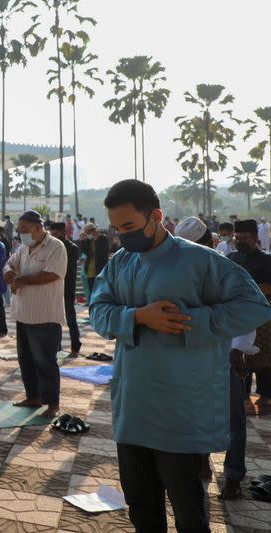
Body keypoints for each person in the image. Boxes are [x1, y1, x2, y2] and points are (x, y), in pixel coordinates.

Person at [89, 180, 271, 532]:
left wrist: (191, 321)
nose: (122, 236)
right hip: (133, 408)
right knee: (142, 507)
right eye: (116, 229)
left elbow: (254, 307)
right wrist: (139, 317)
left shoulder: (201, 260)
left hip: (180, 411)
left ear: (155, 216)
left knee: (189, 510)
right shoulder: (120, 262)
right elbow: (99, 312)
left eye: (128, 227)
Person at [174, 215, 252, 500]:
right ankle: (201, 461)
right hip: (191, 357)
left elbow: (246, 315)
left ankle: (233, 476)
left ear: (210, 243)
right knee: (193, 414)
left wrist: (237, 351)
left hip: (224, 355)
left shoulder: (228, 272)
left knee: (233, 421)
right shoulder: (180, 274)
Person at [4, 210, 67, 418]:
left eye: (25, 230)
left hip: (44, 315)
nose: (21, 234)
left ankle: (52, 403)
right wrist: (8, 272)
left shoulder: (55, 247)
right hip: (23, 313)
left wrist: (21, 280)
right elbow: (10, 263)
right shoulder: (23, 247)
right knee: (26, 359)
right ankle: (33, 397)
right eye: (19, 230)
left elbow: (51, 274)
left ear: (38, 228)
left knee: (45, 361)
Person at [229, 219, 271, 415]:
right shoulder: (231, 258)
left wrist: (247, 289)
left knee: (263, 359)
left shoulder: (266, 260)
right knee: (237, 355)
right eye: (237, 238)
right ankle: (243, 396)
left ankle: (265, 397)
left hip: (262, 318)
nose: (239, 241)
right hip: (236, 315)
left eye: (244, 238)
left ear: (255, 237)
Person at [49, 222, 82, 357]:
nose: (54, 237)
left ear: (63, 233)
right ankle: (57, 346)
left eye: (56, 234)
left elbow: (67, 269)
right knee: (55, 318)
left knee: (70, 318)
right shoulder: (51, 247)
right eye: (52, 234)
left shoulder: (72, 248)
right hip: (54, 287)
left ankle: (76, 345)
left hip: (67, 287)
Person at [79, 222, 109, 297]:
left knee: (101, 290)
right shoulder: (89, 240)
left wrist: (96, 240)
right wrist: (83, 241)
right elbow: (84, 251)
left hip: (100, 268)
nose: (87, 234)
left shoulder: (103, 238)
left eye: (87, 232)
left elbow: (103, 253)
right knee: (92, 290)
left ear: (92, 231)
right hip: (90, 269)